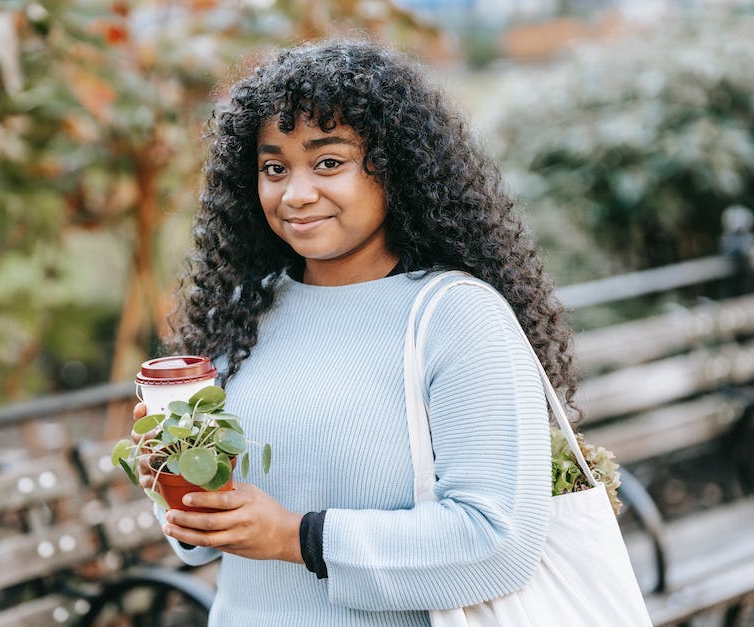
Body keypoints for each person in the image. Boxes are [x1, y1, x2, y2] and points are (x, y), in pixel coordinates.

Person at [131, 38, 579, 626]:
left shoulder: (457, 317)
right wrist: (180, 485)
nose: (295, 194)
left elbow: (495, 541)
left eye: (328, 162)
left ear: (397, 169)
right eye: (274, 167)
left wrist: (298, 537)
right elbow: (207, 543)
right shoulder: (245, 310)